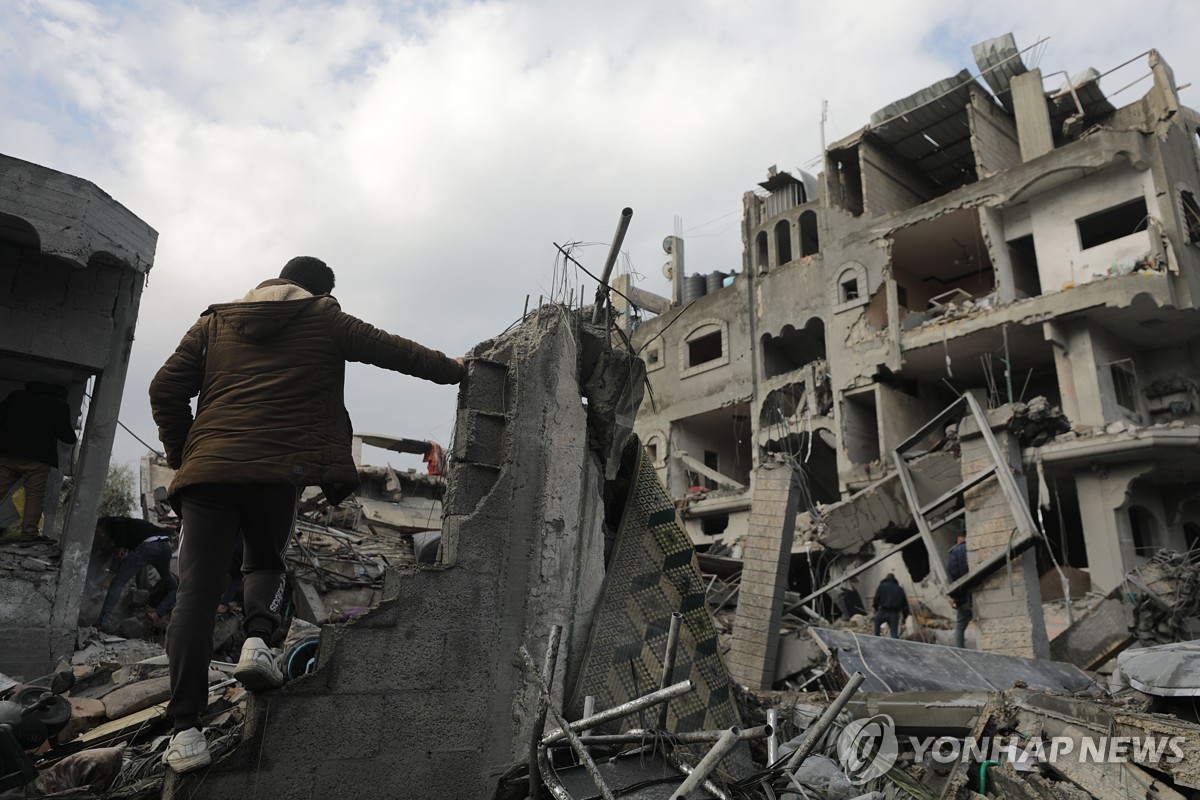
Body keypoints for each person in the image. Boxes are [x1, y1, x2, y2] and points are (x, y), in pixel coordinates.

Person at [149, 256, 464, 773]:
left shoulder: (213, 322)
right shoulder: (323, 317)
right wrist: (456, 370)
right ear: (320, 291)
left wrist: (186, 456)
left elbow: (164, 388)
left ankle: (185, 732)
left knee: (196, 594)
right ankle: (256, 641)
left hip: (208, 475)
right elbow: (394, 350)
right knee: (266, 562)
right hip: (277, 470)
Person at [0, 382, 77, 541]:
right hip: (38, 460)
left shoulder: (16, 396)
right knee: (34, 496)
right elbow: (67, 437)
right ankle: (28, 535)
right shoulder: (59, 405)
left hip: (8, 453)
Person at [95, 516, 179, 631]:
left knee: (117, 583)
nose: (101, 535)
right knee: (174, 588)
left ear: (100, 525)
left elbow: (120, 548)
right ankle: (156, 614)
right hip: (165, 546)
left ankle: (101, 622)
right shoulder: (137, 525)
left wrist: (111, 574)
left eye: (99, 531)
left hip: (149, 546)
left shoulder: (111, 522)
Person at [948, 531, 972, 648]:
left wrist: (954, 595)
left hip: (963, 595)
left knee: (960, 626)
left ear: (958, 538)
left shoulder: (955, 551)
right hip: (979, 591)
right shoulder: (975, 546)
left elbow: (953, 572)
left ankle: (961, 651)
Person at [872, 574, 910, 639]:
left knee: (877, 624)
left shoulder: (882, 586)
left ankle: (877, 639)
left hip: (883, 611)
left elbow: (876, 598)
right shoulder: (900, 589)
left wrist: (875, 608)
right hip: (894, 613)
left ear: (886, 578)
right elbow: (905, 605)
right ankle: (895, 647)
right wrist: (904, 618)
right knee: (894, 634)